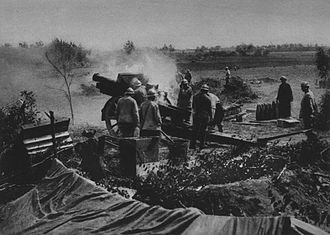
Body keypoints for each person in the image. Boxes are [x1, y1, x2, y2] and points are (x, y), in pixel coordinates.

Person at [191, 84, 212, 149]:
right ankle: (201, 144)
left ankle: (192, 144)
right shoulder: (208, 99)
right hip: (204, 116)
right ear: (206, 91)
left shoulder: (195, 97)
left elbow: (193, 106)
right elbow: (209, 109)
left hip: (196, 114)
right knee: (203, 130)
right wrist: (211, 117)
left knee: (195, 130)